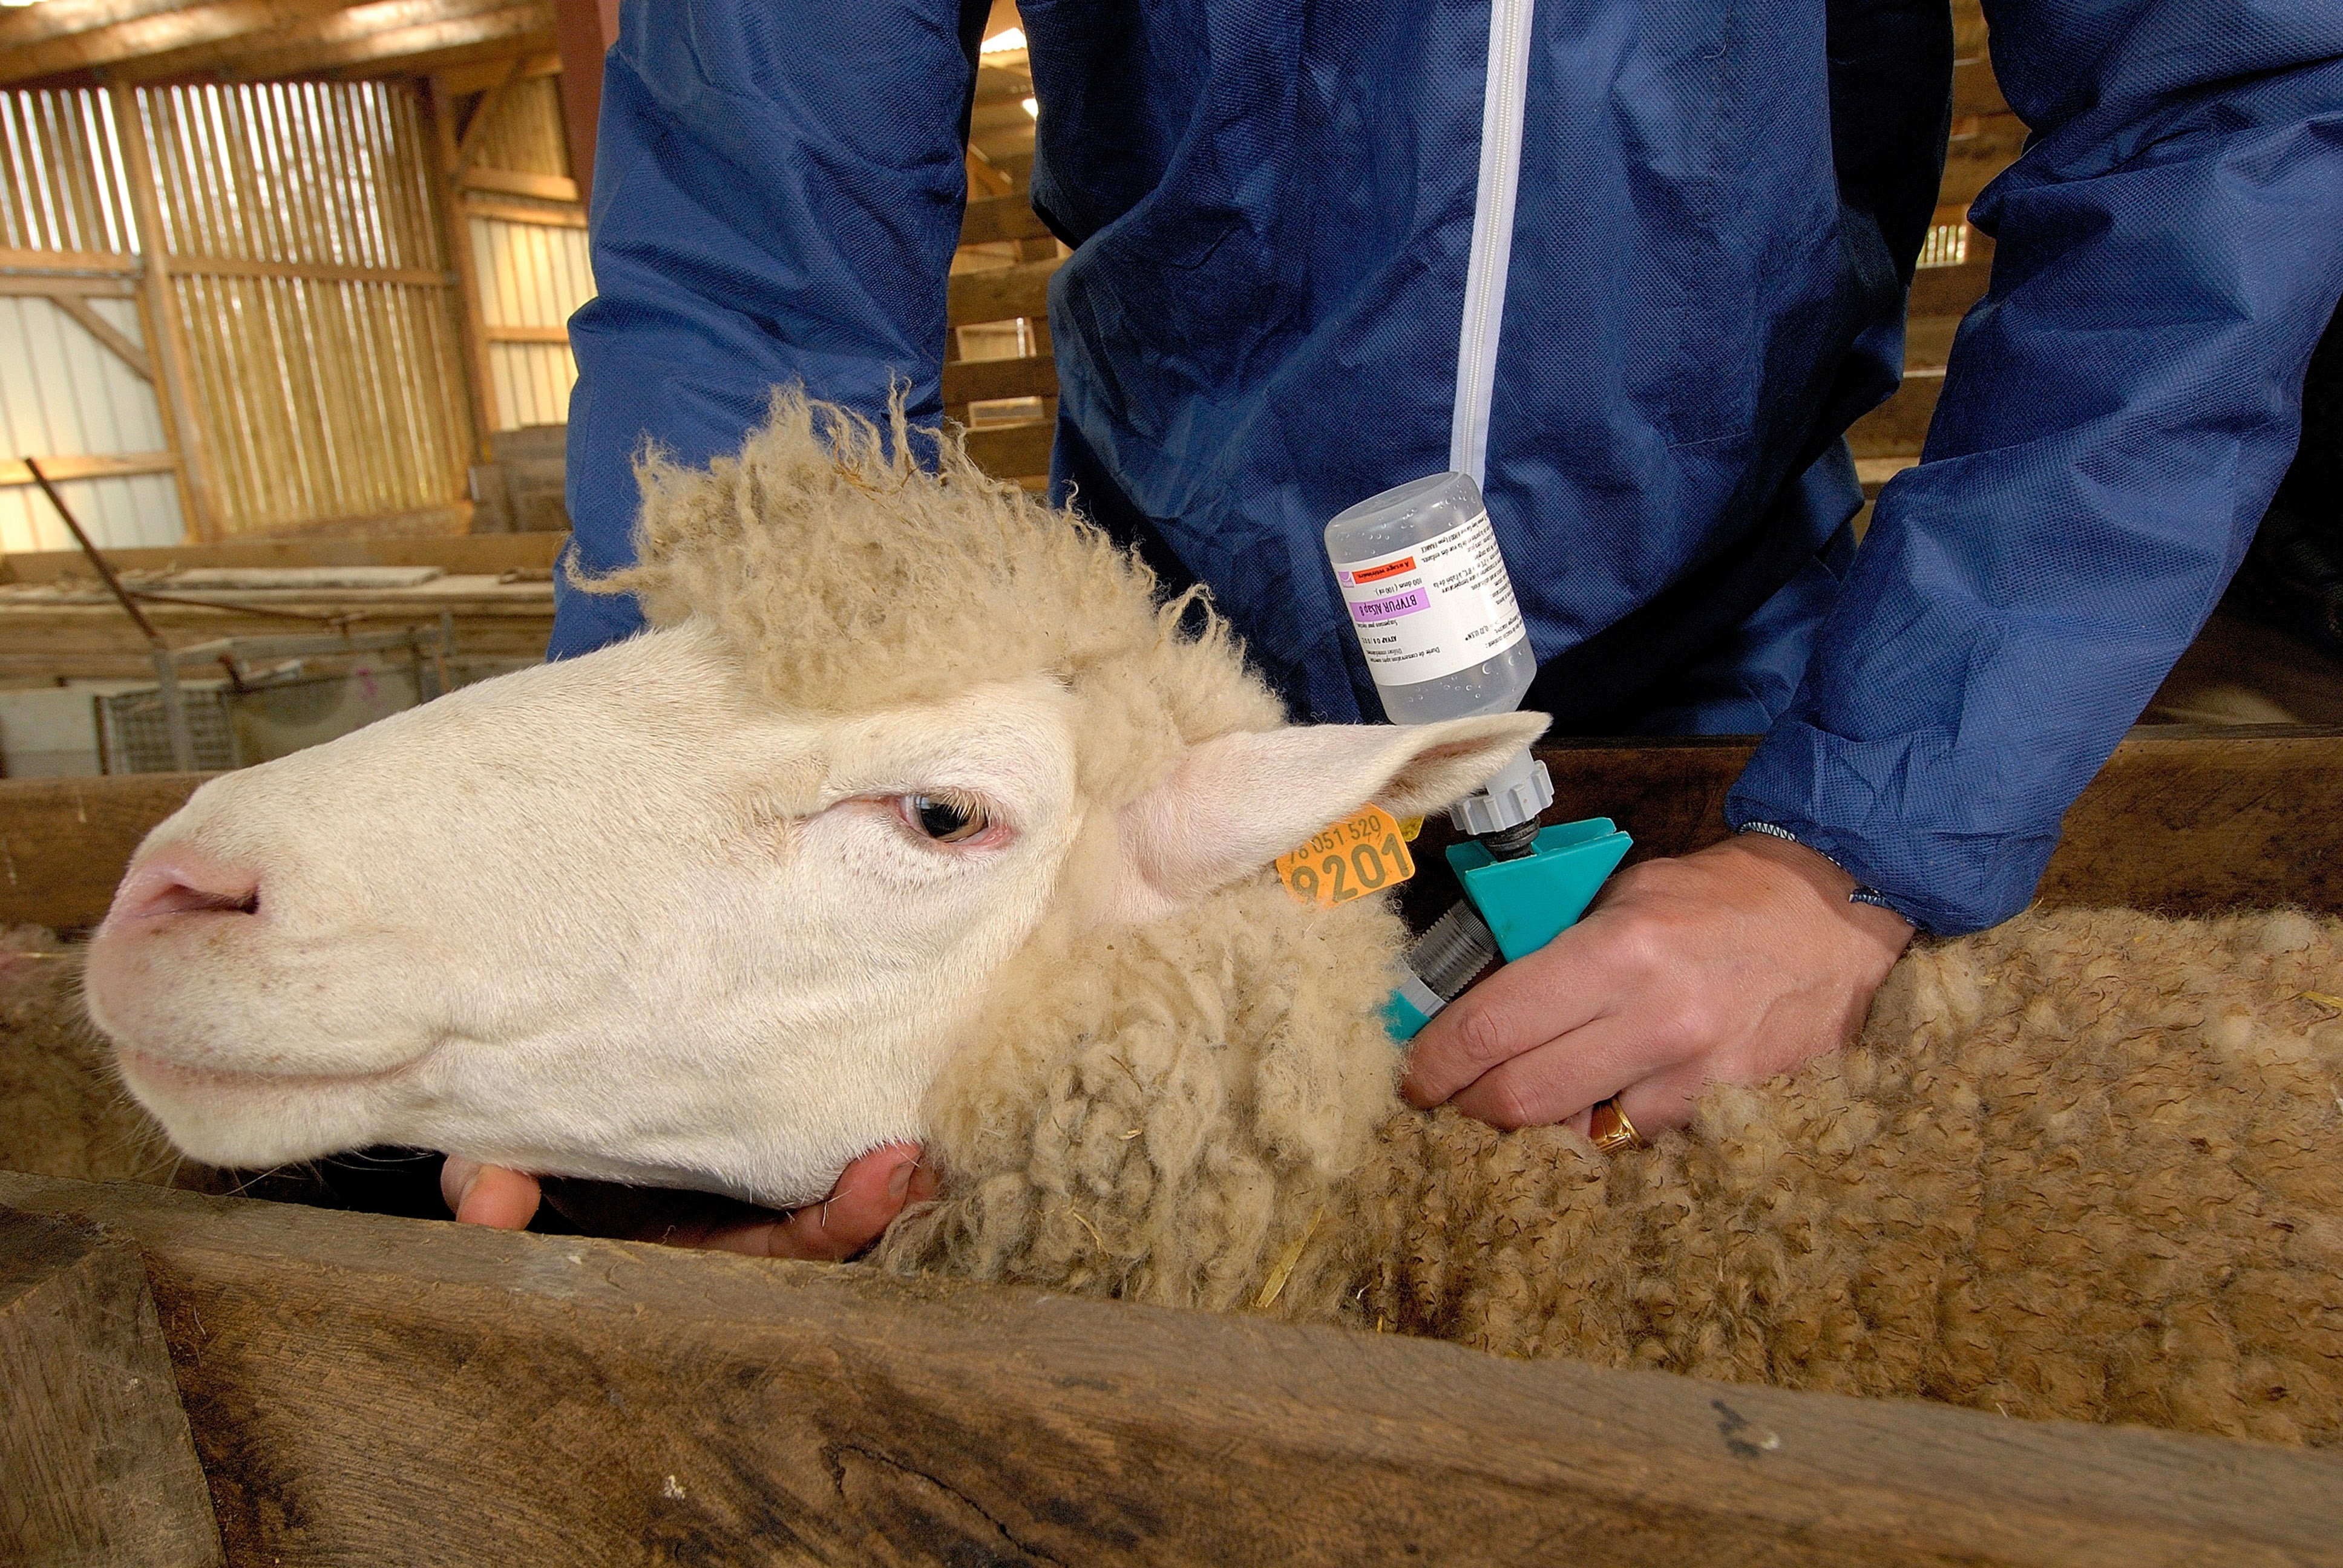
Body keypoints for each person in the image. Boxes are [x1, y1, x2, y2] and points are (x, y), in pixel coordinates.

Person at [449, 0, 2343, 1253]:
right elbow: (752, 243)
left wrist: (1856, 852)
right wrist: (677, 856)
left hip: (1735, 679)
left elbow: (2224, 123)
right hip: (1173, 677)